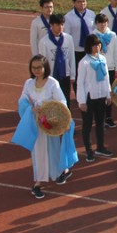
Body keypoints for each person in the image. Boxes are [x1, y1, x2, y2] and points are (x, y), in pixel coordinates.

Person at [19, 55, 73, 199]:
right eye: (33, 67)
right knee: (38, 151)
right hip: (35, 123)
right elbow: (22, 100)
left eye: (39, 67)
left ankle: (60, 171)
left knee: (54, 147)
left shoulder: (52, 83)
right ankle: (38, 182)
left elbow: (61, 101)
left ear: (45, 68)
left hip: (50, 123)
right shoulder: (29, 83)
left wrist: (62, 118)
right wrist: (30, 108)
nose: (36, 70)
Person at [76, 35, 112, 162]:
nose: (97, 47)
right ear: (89, 46)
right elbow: (80, 83)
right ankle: (88, 150)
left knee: (100, 123)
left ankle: (100, 147)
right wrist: (81, 101)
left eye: (98, 44)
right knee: (87, 125)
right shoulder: (84, 62)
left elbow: (107, 78)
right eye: (94, 45)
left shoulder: (103, 59)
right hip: (89, 98)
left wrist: (108, 94)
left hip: (101, 96)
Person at [38, 14, 75, 106]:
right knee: (51, 100)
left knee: (65, 100)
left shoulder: (68, 38)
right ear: (51, 25)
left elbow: (71, 57)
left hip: (65, 74)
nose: (60, 27)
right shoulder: (44, 41)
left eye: (62, 24)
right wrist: (45, 76)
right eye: (58, 25)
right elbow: (43, 62)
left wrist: (72, 75)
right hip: (51, 76)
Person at [64, 0, 96, 91]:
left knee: (91, 72)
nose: (82, 4)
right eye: (79, 2)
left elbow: (94, 31)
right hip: (76, 50)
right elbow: (67, 35)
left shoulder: (91, 14)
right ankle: (79, 94)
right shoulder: (68, 17)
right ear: (73, 3)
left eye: (84, 1)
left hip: (90, 49)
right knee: (78, 74)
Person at [94, 13, 117, 128]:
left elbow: (116, 52)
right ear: (96, 24)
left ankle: (108, 117)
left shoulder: (113, 35)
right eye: (100, 23)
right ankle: (100, 118)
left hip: (109, 67)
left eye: (104, 22)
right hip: (97, 68)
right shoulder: (93, 36)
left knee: (109, 94)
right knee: (99, 94)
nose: (102, 25)